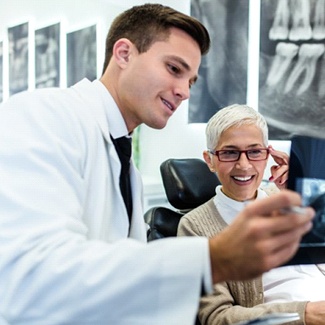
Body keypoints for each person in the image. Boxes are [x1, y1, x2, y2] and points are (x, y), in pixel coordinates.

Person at [0, 4, 314, 324]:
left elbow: (128, 292)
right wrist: (212, 260)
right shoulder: (42, 115)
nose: (184, 92)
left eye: (191, 81)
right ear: (124, 54)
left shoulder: (126, 170)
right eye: (174, 69)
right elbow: (30, 283)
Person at [178, 104, 325, 325]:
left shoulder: (285, 199)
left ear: (267, 155)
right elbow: (217, 317)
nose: (244, 165)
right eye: (229, 153)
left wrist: (300, 196)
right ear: (210, 160)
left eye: (255, 151)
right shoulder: (194, 226)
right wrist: (306, 315)